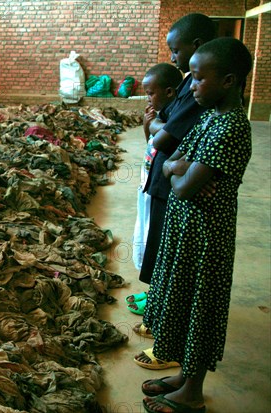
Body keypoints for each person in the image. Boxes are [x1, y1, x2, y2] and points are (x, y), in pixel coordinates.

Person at [140, 37, 253, 413]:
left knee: (201, 308)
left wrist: (174, 169)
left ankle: (193, 392)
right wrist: (178, 167)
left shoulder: (232, 127)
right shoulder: (209, 115)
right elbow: (180, 158)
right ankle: (184, 375)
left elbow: (186, 184)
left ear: (229, 80)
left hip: (207, 237)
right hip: (186, 230)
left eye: (200, 79)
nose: (193, 86)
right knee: (182, 302)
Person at [133, 13, 216, 368]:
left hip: (182, 197)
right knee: (161, 255)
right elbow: (160, 136)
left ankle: (168, 339)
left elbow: (165, 137)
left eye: (175, 50)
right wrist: (155, 130)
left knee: (176, 269)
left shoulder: (207, 106)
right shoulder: (189, 87)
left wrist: (154, 125)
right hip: (171, 188)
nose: (172, 57)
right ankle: (158, 316)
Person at [126, 63, 183, 317]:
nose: (148, 98)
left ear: (170, 92)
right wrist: (146, 126)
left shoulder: (175, 114)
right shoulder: (166, 112)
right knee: (150, 238)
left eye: (151, 93)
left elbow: (163, 139)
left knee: (159, 244)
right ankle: (155, 293)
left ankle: (157, 299)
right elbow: (151, 143)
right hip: (152, 184)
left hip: (164, 187)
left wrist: (153, 126)